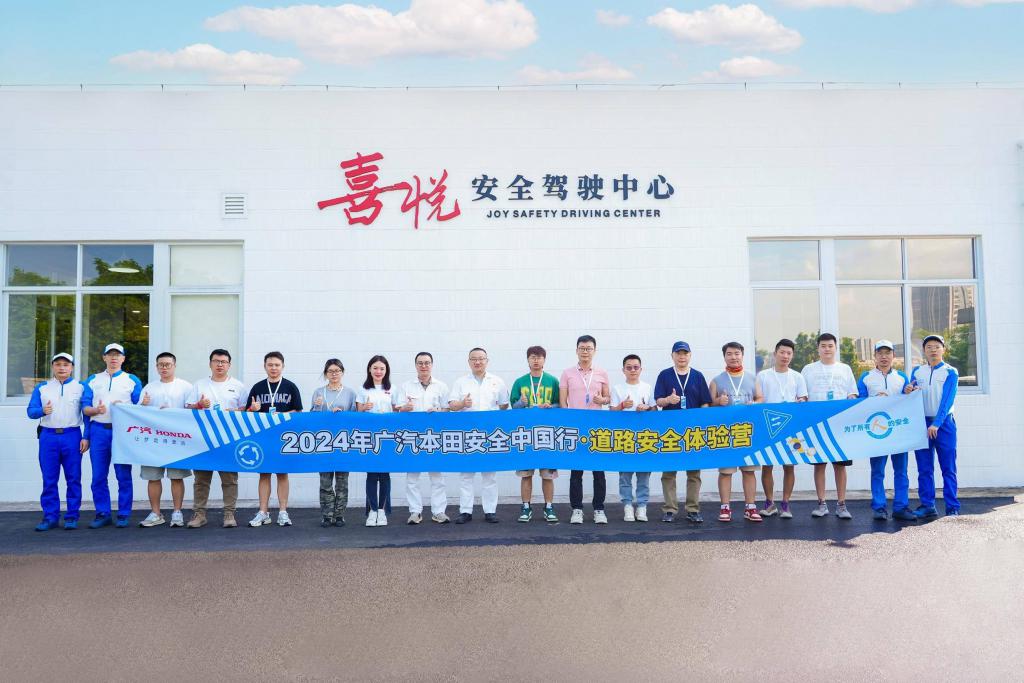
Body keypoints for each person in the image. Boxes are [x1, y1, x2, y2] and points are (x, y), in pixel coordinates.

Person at [82, 343, 143, 528]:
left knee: (123, 475)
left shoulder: (132, 380)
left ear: (123, 358)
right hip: (98, 431)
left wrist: (125, 408)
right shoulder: (93, 380)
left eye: (118, 355)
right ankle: (103, 513)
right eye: (110, 354)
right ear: (104, 358)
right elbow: (85, 409)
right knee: (98, 477)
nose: (114, 358)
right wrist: (95, 411)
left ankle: (124, 514)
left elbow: (140, 409)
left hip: (122, 432)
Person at [26, 353, 89, 531]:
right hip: (48, 437)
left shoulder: (81, 387)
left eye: (66, 364)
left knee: (73, 478)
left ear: (72, 368)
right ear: (53, 366)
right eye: (58, 364)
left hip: (72, 436)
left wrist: (86, 437)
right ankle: (50, 517)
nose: (62, 368)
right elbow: (31, 411)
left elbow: (87, 415)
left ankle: (72, 516)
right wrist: (42, 410)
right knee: (49, 479)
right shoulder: (42, 387)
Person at [185, 349, 246, 528]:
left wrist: (236, 411)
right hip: (203, 439)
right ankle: (199, 514)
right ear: (210, 363)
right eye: (216, 361)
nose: (220, 364)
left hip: (229, 439)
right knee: (201, 480)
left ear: (229, 365)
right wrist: (199, 404)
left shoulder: (238, 386)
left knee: (229, 479)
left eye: (223, 362)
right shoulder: (199, 385)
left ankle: (229, 514)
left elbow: (246, 410)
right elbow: (187, 409)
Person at [653, 341, 712, 523]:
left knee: (693, 473)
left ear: (690, 355)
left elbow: (705, 402)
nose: (682, 356)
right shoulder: (664, 375)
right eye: (678, 353)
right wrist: (668, 400)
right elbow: (658, 401)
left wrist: (700, 418)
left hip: (693, 432)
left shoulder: (697, 376)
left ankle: (693, 509)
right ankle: (670, 509)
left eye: (685, 353)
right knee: (669, 472)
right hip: (670, 431)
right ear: (672, 356)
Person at [449, 347, 510, 524]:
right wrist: (463, 403)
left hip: (490, 434)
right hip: (468, 434)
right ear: (469, 362)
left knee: (489, 475)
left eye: (481, 359)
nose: (477, 362)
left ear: (487, 361)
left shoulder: (497, 381)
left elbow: (504, 405)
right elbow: (451, 405)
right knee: (466, 475)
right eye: (474, 359)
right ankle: (465, 511)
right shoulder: (461, 382)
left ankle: (490, 511)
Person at [801, 333, 858, 519]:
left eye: (830, 346)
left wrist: (851, 399)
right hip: (816, 425)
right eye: (823, 346)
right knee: (819, 465)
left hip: (839, 425)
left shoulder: (845, 369)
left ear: (835, 348)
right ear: (818, 348)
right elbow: (802, 395)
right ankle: (821, 504)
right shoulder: (808, 369)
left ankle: (841, 505)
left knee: (840, 466)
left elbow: (852, 394)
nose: (827, 349)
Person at [857, 340, 915, 522]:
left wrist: (909, 392)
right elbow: (860, 403)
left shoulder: (901, 377)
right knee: (877, 471)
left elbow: (907, 402)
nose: (884, 357)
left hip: (898, 432)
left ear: (893, 356)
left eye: (887, 353)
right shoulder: (866, 377)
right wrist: (875, 400)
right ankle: (879, 507)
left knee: (901, 470)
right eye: (880, 353)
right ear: (874, 356)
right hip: (877, 432)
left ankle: (901, 507)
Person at [905, 334, 960, 518]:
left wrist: (936, 423)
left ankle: (952, 507)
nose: (933, 350)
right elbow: (911, 396)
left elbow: (947, 401)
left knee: (948, 468)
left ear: (943, 349)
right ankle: (928, 505)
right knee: (924, 468)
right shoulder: (917, 372)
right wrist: (908, 390)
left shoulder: (950, 372)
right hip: (922, 424)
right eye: (929, 347)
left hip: (944, 424)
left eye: (937, 346)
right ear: (924, 351)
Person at [560, 335, 612, 525]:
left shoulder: (602, 372)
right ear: (576, 351)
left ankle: (599, 509)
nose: (585, 351)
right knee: (576, 472)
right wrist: (568, 423)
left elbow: (608, 398)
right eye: (582, 348)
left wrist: (602, 400)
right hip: (575, 427)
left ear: (594, 351)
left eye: (589, 348)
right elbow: (563, 402)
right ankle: (577, 509)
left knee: (598, 471)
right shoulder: (567, 373)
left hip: (596, 428)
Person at [247, 351, 303, 528]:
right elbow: (247, 413)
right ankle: (263, 512)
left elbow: (298, 411)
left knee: (282, 473)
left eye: (277, 365)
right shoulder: (257, 387)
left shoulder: (290, 387)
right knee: (264, 474)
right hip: (263, 436)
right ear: (265, 366)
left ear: (282, 366)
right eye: (270, 365)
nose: (273, 368)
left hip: (283, 437)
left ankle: (283, 512)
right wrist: (253, 409)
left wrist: (282, 415)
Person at [137, 352, 194, 528]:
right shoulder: (149, 387)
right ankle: (156, 513)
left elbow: (191, 411)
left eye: (168, 364)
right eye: (161, 365)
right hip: (153, 441)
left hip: (177, 439)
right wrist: (144, 405)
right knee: (153, 477)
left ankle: (177, 512)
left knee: (176, 477)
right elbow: (138, 413)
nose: (164, 368)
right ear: (156, 367)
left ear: (174, 366)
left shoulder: (185, 387)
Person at [709, 342, 764, 523]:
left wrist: (754, 403)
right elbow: (708, 406)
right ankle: (725, 507)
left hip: (748, 432)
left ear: (742, 355)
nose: (733, 357)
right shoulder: (716, 380)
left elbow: (760, 398)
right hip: (725, 432)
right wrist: (718, 402)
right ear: (724, 356)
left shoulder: (752, 378)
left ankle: (750, 507)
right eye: (729, 354)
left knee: (749, 470)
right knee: (726, 472)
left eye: (737, 353)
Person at [754, 339, 808, 519]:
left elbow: (804, 399)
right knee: (767, 466)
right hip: (768, 427)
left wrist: (801, 401)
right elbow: (758, 399)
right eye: (782, 352)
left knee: (789, 466)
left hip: (791, 428)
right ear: (775, 353)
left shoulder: (798, 377)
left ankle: (785, 504)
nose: (785, 356)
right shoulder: (763, 376)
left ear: (792, 356)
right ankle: (770, 503)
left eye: (789, 353)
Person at [396, 352, 451, 525]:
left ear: (432, 365)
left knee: (437, 476)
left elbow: (448, 410)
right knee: (412, 477)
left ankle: (439, 511)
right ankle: (415, 512)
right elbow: (397, 409)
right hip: (412, 437)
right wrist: (404, 408)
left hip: (434, 437)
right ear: (416, 365)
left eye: (427, 362)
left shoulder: (441, 386)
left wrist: (439, 411)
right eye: (420, 363)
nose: (424, 366)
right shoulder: (406, 386)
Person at [509, 345, 560, 523]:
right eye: (532, 357)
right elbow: (513, 407)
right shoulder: (520, 382)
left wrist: (550, 406)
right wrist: (521, 403)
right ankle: (526, 506)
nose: (536, 360)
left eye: (539, 357)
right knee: (526, 474)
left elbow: (560, 404)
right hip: (526, 435)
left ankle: (549, 507)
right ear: (528, 360)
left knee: (548, 474)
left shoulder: (552, 381)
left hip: (547, 434)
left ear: (544, 360)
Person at [311, 358, 357, 527]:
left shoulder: (350, 393)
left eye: (337, 371)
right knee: (325, 481)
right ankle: (327, 515)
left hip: (343, 442)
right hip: (324, 442)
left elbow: (355, 417)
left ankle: (339, 515)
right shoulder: (318, 392)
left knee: (342, 481)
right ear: (325, 374)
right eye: (330, 371)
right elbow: (312, 419)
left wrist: (341, 414)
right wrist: (317, 407)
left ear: (342, 372)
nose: (334, 374)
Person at [610, 354, 655, 522]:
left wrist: (647, 407)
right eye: (629, 367)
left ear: (641, 369)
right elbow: (611, 412)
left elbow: (655, 410)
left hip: (644, 437)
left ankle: (642, 506)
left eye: (636, 367)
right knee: (625, 475)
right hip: (624, 437)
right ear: (623, 370)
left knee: (644, 474)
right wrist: (622, 405)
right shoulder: (617, 388)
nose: (632, 370)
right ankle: (628, 506)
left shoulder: (647, 387)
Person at [357, 355, 401, 527]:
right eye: (375, 368)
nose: (378, 371)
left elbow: (397, 410)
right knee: (371, 474)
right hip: (369, 437)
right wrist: (364, 407)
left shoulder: (392, 388)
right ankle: (372, 511)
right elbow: (357, 412)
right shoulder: (363, 389)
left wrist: (405, 408)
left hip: (387, 437)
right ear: (369, 369)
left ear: (386, 371)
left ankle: (382, 511)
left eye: (382, 368)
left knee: (384, 475)